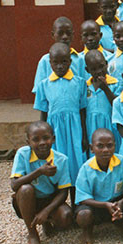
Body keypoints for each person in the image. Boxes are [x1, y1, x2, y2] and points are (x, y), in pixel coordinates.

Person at [75, 128, 123, 244]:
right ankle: (87, 232)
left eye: (109, 146)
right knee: (84, 215)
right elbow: (83, 199)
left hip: (118, 203)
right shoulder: (86, 169)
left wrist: (121, 203)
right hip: (96, 206)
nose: (105, 150)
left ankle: (122, 223)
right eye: (100, 146)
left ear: (115, 146)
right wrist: (105, 205)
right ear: (91, 148)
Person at [10, 121, 73, 244]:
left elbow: (63, 193)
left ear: (53, 139)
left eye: (46, 138)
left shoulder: (61, 160)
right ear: (28, 142)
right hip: (27, 200)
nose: (42, 143)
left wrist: (47, 211)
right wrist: (39, 171)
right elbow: (15, 185)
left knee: (66, 216)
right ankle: (32, 233)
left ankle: (46, 221)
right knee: (25, 189)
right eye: (36, 139)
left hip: (49, 199)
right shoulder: (23, 154)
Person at [34, 43, 87, 178]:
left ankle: (77, 198)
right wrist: (42, 135)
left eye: (64, 62)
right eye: (55, 62)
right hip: (55, 131)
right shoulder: (44, 85)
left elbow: (82, 111)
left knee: (76, 166)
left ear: (70, 61)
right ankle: (60, 197)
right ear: (50, 63)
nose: (60, 66)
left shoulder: (80, 83)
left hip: (75, 130)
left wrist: (84, 135)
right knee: (56, 163)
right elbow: (43, 113)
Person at [32, 17, 85, 94]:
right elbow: (39, 90)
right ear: (53, 35)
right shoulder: (45, 60)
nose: (65, 37)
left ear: (73, 35)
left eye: (68, 33)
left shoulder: (80, 60)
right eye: (60, 33)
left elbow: (85, 87)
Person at [84, 50, 121, 148]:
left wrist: (106, 89)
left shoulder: (115, 84)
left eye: (101, 66)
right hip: (91, 126)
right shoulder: (85, 87)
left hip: (110, 125)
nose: (99, 71)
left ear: (106, 64)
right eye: (94, 69)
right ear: (87, 70)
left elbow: (117, 105)